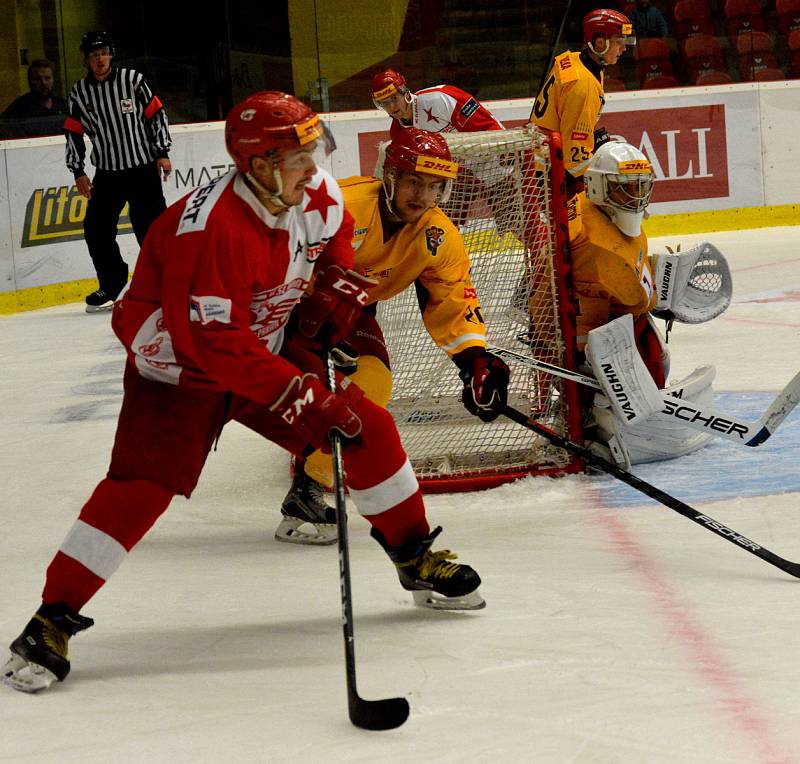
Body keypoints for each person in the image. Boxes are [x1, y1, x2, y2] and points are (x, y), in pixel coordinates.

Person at [1, 92, 485, 695]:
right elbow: (214, 347)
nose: (315, 168)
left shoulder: (312, 192)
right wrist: (302, 396)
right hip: (178, 370)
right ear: (258, 165)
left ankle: (413, 555)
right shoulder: (210, 232)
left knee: (371, 431)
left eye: (315, 151)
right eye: (300, 157)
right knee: (140, 491)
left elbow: (334, 232)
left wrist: (331, 283)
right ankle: (51, 619)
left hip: (261, 340)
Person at [277, 127, 510, 545]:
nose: (422, 195)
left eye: (434, 186)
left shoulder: (438, 236)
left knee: (373, 387)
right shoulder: (340, 205)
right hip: (285, 303)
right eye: (413, 182)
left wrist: (475, 359)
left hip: (351, 310)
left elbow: (453, 298)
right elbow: (273, 253)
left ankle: (308, 484)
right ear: (390, 177)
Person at [570, 139, 731, 467]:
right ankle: (595, 420)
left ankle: (596, 411)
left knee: (647, 345)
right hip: (584, 333)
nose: (635, 197)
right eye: (624, 189)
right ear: (598, 187)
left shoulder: (589, 207)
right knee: (655, 356)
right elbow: (639, 298)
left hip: (586, 312)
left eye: (640, 187)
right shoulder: (603, 247)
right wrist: (659, 290)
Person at [65, 31, 172, 313]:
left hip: (142, 170)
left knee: (151, 231)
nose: (99, 59)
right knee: (96, 229)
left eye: (103, 53)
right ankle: (112, 285)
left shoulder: (133, 81)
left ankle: (163, 285)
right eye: (93, 54)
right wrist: (78, 170)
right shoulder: (79, 92)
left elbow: (156, 114)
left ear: (111, 54)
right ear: (87, 60)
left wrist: (162, 152)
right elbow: (73, 132)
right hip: (108, 173)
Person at [530, 8, 636, 196]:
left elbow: (562, 118)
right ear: (600, 42)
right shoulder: (583, 85)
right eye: (619, 41)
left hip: (538, 158)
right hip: (547, 175)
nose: (624, 48)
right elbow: (575, 164)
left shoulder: (573, 60)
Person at [370, 68, 504, 138]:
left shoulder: (440, 99)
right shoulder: (398, 132)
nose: (391, 107)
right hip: (463, 180)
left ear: (405, 93)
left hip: (495, 164)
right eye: (384, 103)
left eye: (394, 99)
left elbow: (487, 126)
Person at [1, 59, 68, 119]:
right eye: (38, 79)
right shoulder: (19, 107)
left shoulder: (62, 105)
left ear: (53, 80)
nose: (43, 83)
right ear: (30, 81)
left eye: (47, 78)